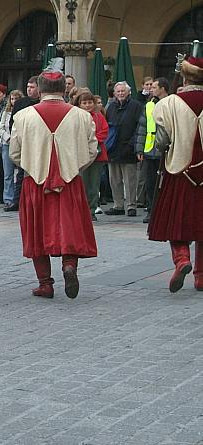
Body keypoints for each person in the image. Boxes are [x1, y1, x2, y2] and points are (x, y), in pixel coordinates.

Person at [10, 59, 98, 299]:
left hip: (35, 181)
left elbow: (14, 152)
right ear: (64, 89)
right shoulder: (81, 116)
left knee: (36, 231)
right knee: (69, 226)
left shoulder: (23, 116)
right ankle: (69, 265)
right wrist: (74, 167)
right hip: (70, 181)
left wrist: (32, 164)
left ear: (40, 89)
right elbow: (92, 150)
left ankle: (45, 283)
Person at [147, 56, 203, 293]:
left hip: (178, 170)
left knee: (176, 221)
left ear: (184, 77)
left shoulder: (168, 104)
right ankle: (201, 277)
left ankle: (182, 259)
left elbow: (161, 142)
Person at [105, 81, 142, 216]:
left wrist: (133, 144)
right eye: (118, 91)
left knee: (130, 180)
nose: (120, 93)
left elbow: (139, 127)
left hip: (129, 148)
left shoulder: (136, 106)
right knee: (114, 179)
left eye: (123, 91)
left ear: (128, 92)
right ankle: (118, 205)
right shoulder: (111, 107)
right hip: (113, 148)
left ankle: (131, 205)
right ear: (114, 93)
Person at [136, 77, 170, 223]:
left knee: (166, 183)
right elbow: (142, 127)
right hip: (150, 150)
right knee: (150, 184)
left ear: (163, 88)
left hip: (166, 149)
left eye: (155, 87)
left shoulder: (171, 103)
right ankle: (151, 210)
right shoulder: (149, 105)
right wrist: (139, 149)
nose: (151, 89)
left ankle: (165, 211)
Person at [73, 91, 109, 221]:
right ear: (79, 104)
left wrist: (92, 141)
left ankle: (91, 210)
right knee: (81, 183)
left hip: (97, 155)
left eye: (90, 102)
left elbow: (104, 131)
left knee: (94, 185)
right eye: (84, 103)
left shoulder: (99, 117)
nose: (87, 105)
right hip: (79, 155)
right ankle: (80, 210)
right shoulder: (75, 118)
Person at [7, 76, 40, 211]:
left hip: (38, 143)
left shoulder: (41, 103)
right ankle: (17, 201)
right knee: (21, 173)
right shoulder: (20, 103)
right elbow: (13, 123)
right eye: (27, 87)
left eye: (32, 87)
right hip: (23, 142)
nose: (29, 89)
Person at [0, 89, 23, 211]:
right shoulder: (6, 112)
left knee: (20, 172)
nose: (14, 101)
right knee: (8, 174)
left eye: (16, 99)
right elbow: (1, 128)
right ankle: (8, 199)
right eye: (12, 99)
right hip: (7, 144)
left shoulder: (23, 112)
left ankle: (18, 198)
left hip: (19, 144)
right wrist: (8, 138)